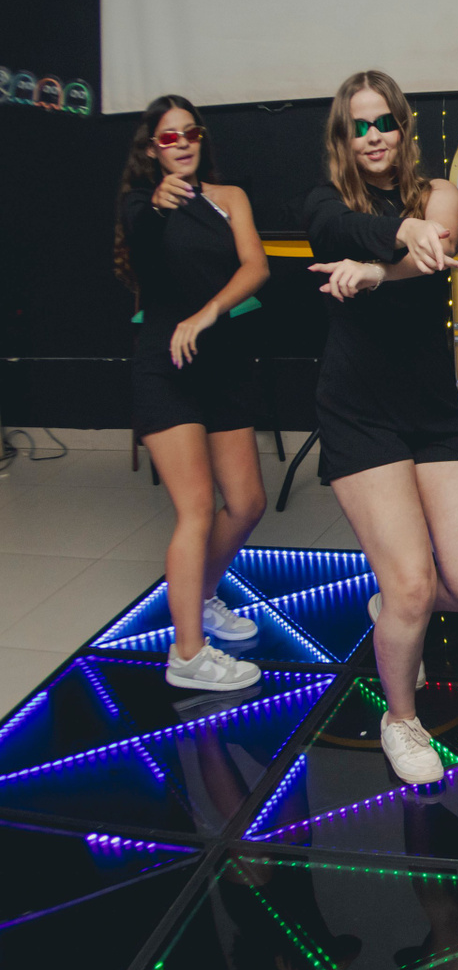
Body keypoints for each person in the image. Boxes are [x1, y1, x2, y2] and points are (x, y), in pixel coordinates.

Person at [305, 70, 458, 784]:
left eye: (383, 121)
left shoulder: (438, 193)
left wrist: (375, 271)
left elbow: (436, 248)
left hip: (431, 411)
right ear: (343, 135)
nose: (373, 137)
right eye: (358, 126)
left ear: (403, 125)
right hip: (358, 411)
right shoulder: (326, 202)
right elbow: (343, 229)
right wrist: (396, 235)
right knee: (414, 586)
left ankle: (391, 605)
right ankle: (401, 719)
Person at [115, 95, 270, 690]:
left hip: (221, 362)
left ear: (202, 138)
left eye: (190, 133)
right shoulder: (142, 204)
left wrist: (208, 312)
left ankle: (201, 598)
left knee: (247, 503)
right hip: (167, 364)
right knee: (197, 508)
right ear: (152, 150)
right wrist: (159, 204)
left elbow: (255, 267)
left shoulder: (230, 197)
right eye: (167, 137)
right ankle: (187, 656)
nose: (181, 143)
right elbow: (143, 238)